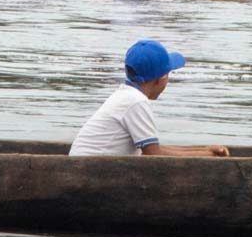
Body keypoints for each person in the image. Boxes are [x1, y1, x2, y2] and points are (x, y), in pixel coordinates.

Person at [69, 40, 231, 157]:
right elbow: (154, 154)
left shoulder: (126, 94)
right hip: (89, 171)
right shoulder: (135, 101)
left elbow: (153, 148)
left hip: (90, 167)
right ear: (161, 79)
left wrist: (205, 151)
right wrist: (205, 155)